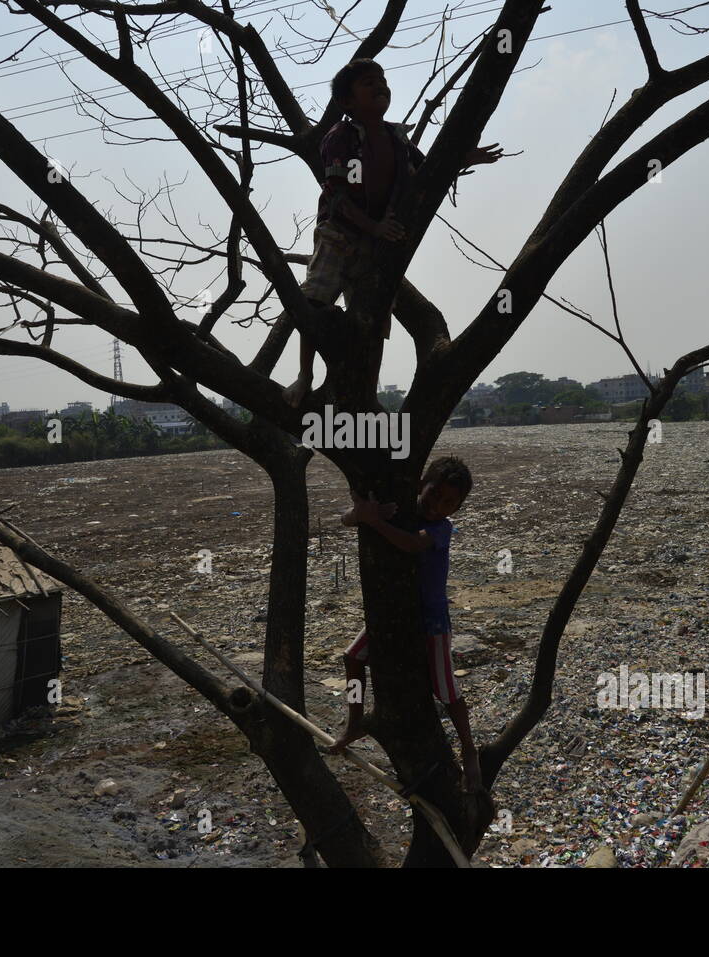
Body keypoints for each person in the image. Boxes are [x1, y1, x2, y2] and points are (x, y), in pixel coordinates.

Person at [282, 59, 503, 407]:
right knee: (315, 300)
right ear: (347, 102)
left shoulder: (396, 137)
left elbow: (427, 170)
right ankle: (304, 376)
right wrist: (375, 226)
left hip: (375, 241)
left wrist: (464, 157)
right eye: (368, 83)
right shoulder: (341, 138)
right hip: (339, 233)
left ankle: (360, 391)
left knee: (373, 317)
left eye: (382, 80)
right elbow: (337, 197)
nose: (379, 86)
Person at [329, 455, 482, 793]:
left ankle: (469, 748)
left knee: (445, 689)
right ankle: (355, 721)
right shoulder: (400, 509)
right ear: (420, 485)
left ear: (456, 509)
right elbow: (344, 520)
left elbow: (413, 544)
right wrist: (363, 515)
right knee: (353, 658)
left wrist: (375, 523)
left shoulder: (441, 528)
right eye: (434, 493)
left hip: (431, 620)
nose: (438, 505)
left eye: (448, 502)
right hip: (394, 613)